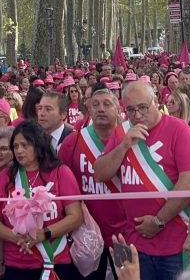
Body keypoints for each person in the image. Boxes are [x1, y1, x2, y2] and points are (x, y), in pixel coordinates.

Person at [94, 81, 190, 280]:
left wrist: (158, 221)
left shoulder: (179, 129)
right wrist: (124, 144)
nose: (137, 115)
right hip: (130, 239)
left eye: (143, 107)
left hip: (175, 241)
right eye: (131, 110)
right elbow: (100, 173)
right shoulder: (123, 131)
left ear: (156, 101)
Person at [0, 121, 83, 280]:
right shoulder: (6, 177)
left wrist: (43, 234)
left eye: (25, 145)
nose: (19, 150)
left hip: (56, 259)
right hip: (17, 262)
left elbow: (76, 217)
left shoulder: (61, 173)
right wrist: (16, 237)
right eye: (16, 146)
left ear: (38, 145)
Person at [57, 87, 128, 279]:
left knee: (126, 276)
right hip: (87, 234)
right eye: (95, 105)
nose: (101, 109)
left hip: (122, 234)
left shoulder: (128, 140)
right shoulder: (74, 141)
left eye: (107, 104)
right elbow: (60, 180)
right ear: (88, 109)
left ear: (118, 108)